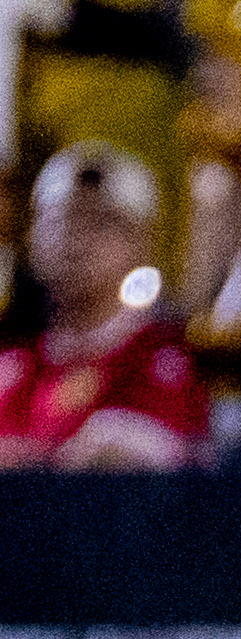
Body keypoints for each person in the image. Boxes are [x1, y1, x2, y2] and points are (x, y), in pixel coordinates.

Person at [0, 141, 206, 469]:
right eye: (58, 219)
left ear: (141, 242)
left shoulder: (161, 361)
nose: (74, 238)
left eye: (101, 222)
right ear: (31, 237)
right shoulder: (14, 366)